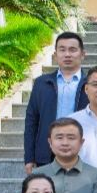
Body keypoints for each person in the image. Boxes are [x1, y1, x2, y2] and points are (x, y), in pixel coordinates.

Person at [24, 31, 87, 173]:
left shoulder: (91, 84)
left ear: (83, 54)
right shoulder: (42, 83)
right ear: (55, 55)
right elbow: (31, 121)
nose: (67, 54)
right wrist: (29, 157)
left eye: (73, 50)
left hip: (82, 153)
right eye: (62, 50)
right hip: (47, 153)